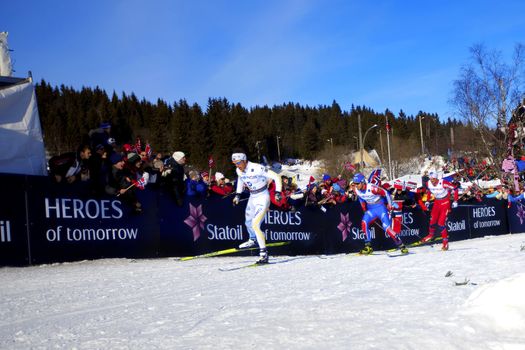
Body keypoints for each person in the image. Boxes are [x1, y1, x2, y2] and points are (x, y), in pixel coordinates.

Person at [232, 151, 282, 264]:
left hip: (263, 197)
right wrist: (238, 194)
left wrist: (278, 192)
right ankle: (253, 239)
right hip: (252, 197)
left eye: (238, 162)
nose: (237, 165)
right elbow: (240, 179)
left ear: (244, 161)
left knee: (255, 224)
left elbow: (276, 176)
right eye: (234, 163)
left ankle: (264, 254)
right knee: (248, 221)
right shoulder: (238, 170)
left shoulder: (257, 168)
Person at [351, 173, 408, 255]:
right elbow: (361, 198)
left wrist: (390, 205)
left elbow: (386, 193)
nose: (356, 185)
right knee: (364, 222)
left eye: (357, 183)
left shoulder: (372, 188)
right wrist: (364, 208)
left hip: (380, 208)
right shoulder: (356, 190)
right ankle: (368, 246)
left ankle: (401, 245)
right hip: (371, 209)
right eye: (354, 184)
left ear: (363, 182)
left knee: (387, 227)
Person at [420, 171, 458, 251]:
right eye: (431, 179)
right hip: (437, 202)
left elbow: (455, 188)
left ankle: (445, 243)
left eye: (433, 179)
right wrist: (427, 200)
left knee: (441, 224)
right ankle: (430, 235)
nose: (432, 181)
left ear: (436, 178)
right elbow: (429, 191)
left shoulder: (443, 182)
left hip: (445, 202)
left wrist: (455, 201)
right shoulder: (428, 183)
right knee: (432, 221)